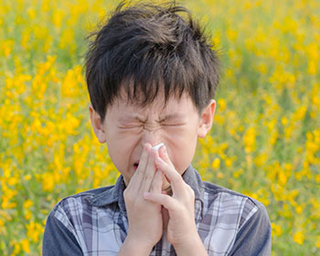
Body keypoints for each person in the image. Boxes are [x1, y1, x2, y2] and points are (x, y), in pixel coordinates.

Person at [42, 1, 271, 255]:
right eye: (133, 123)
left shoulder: (242, 220)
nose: (151, 144)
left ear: (204, 119)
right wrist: (138, 241)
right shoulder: (72, 222)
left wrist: (187, 242)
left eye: (170, 122)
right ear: (99, 124)